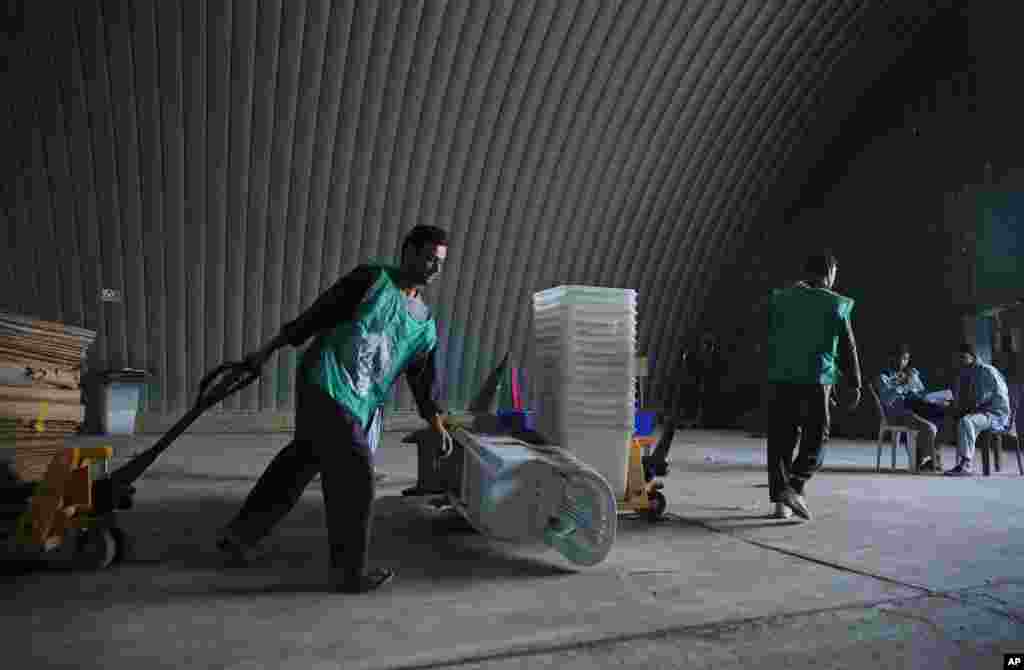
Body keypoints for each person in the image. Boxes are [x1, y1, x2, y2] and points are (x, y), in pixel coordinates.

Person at [216, 225, 453, 593]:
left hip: (358, 400)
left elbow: (423, 377)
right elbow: (318, 315)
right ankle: (349, 573)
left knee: (299, 462)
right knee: (356, 473)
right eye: (428, 258)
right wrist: (267, 350)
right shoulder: (372, 280)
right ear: (407, 251)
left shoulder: (424, 323)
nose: (434, 268)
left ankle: (238, 537)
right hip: (325, 382)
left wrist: (435, 420)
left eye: (439, 263)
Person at [765, 251, 861, 521]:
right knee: (817, 437)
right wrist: (855, 383)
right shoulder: (835, 304)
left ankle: (780, 504)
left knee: (781, 440)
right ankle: (795, 486)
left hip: (780, 379)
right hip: (815, 380)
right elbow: (847, 345)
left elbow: (768, 337)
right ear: (830, 273)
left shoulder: (781, 299)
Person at [875, 345, 948, 472]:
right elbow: (887, 401)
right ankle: (923, 458)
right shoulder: (884, 377)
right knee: (930, 428)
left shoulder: (910, 373)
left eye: (905, 359)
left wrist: (935, 398)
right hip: (896, 414)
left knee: (942, 415)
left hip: (915, 409)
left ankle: (929, 458)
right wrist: (902, 385)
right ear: (891, 358)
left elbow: (921, 393)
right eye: (900, 358)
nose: (902, 362)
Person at [944, 343, 1011, 476]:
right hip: (981, 411)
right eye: (958, 358)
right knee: (945, 418)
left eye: (963, 357)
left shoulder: (986, 371)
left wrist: (960, 408)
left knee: (966, 421)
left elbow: (980, 400)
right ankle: (934, 461)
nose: (960, 361)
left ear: (973, 356)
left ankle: (966, 464)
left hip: (994, 414)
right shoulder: (966, 371)